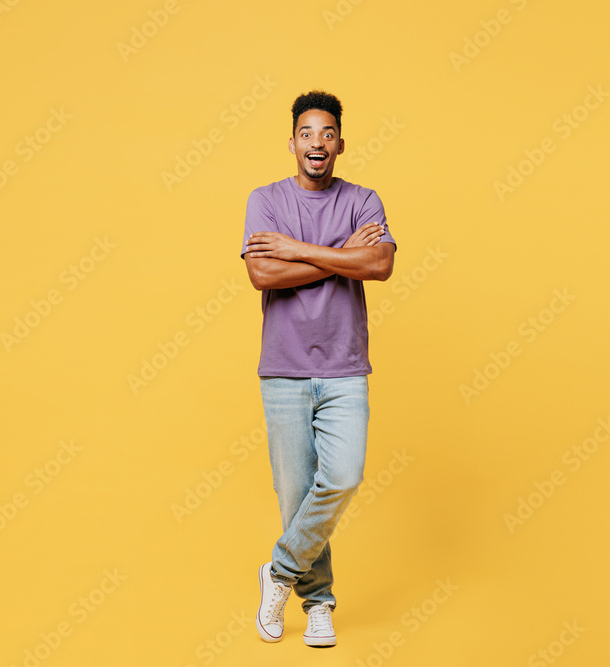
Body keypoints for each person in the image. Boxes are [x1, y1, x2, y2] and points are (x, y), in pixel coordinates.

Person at [240, 90, 397, 648]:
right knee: (297, 493)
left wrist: (295, 250)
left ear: (340, 144)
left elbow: (377, 263)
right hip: (283, 369)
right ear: (292, 143)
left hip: (345, 366)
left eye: (327, 134)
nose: (317, 143)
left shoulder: (363, 199)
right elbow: (262, 276)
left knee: (342, 477)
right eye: (307, 133)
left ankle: (277, 573)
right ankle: (319, 601)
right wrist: (337, 254)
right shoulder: (266, 200)